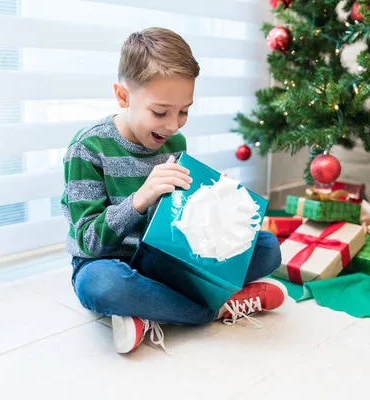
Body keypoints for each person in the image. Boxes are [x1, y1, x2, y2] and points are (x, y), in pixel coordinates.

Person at [62, 27, 287, 354]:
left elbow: (178, 217)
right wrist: (139, 200)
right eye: (160, 112)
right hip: (109, 262)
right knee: (101, 286)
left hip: (163, 261)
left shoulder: (174, 142)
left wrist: (213, 198)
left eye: (184, 111)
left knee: (267, 247)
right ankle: (213, 309)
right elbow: (87, 241)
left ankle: (152, 313)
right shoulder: (88, 148)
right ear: (123, 96)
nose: (173, 126)